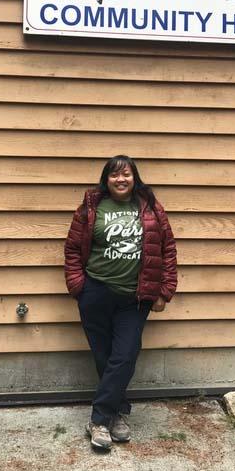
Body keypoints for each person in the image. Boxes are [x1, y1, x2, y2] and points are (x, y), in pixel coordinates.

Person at [64, 155, 178, 451]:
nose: (120, 180)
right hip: (95, 293)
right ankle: (118, 415)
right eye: (114, 175)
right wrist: (79, 285)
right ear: (106, 180)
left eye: (126, 174)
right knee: (105, 358)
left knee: (124, 355)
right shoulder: (90, 209)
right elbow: (73, 248)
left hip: (134, 297)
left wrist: (165, 291)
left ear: (134, 178)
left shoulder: (151, 208)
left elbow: (167, 249)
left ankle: (98, 419)